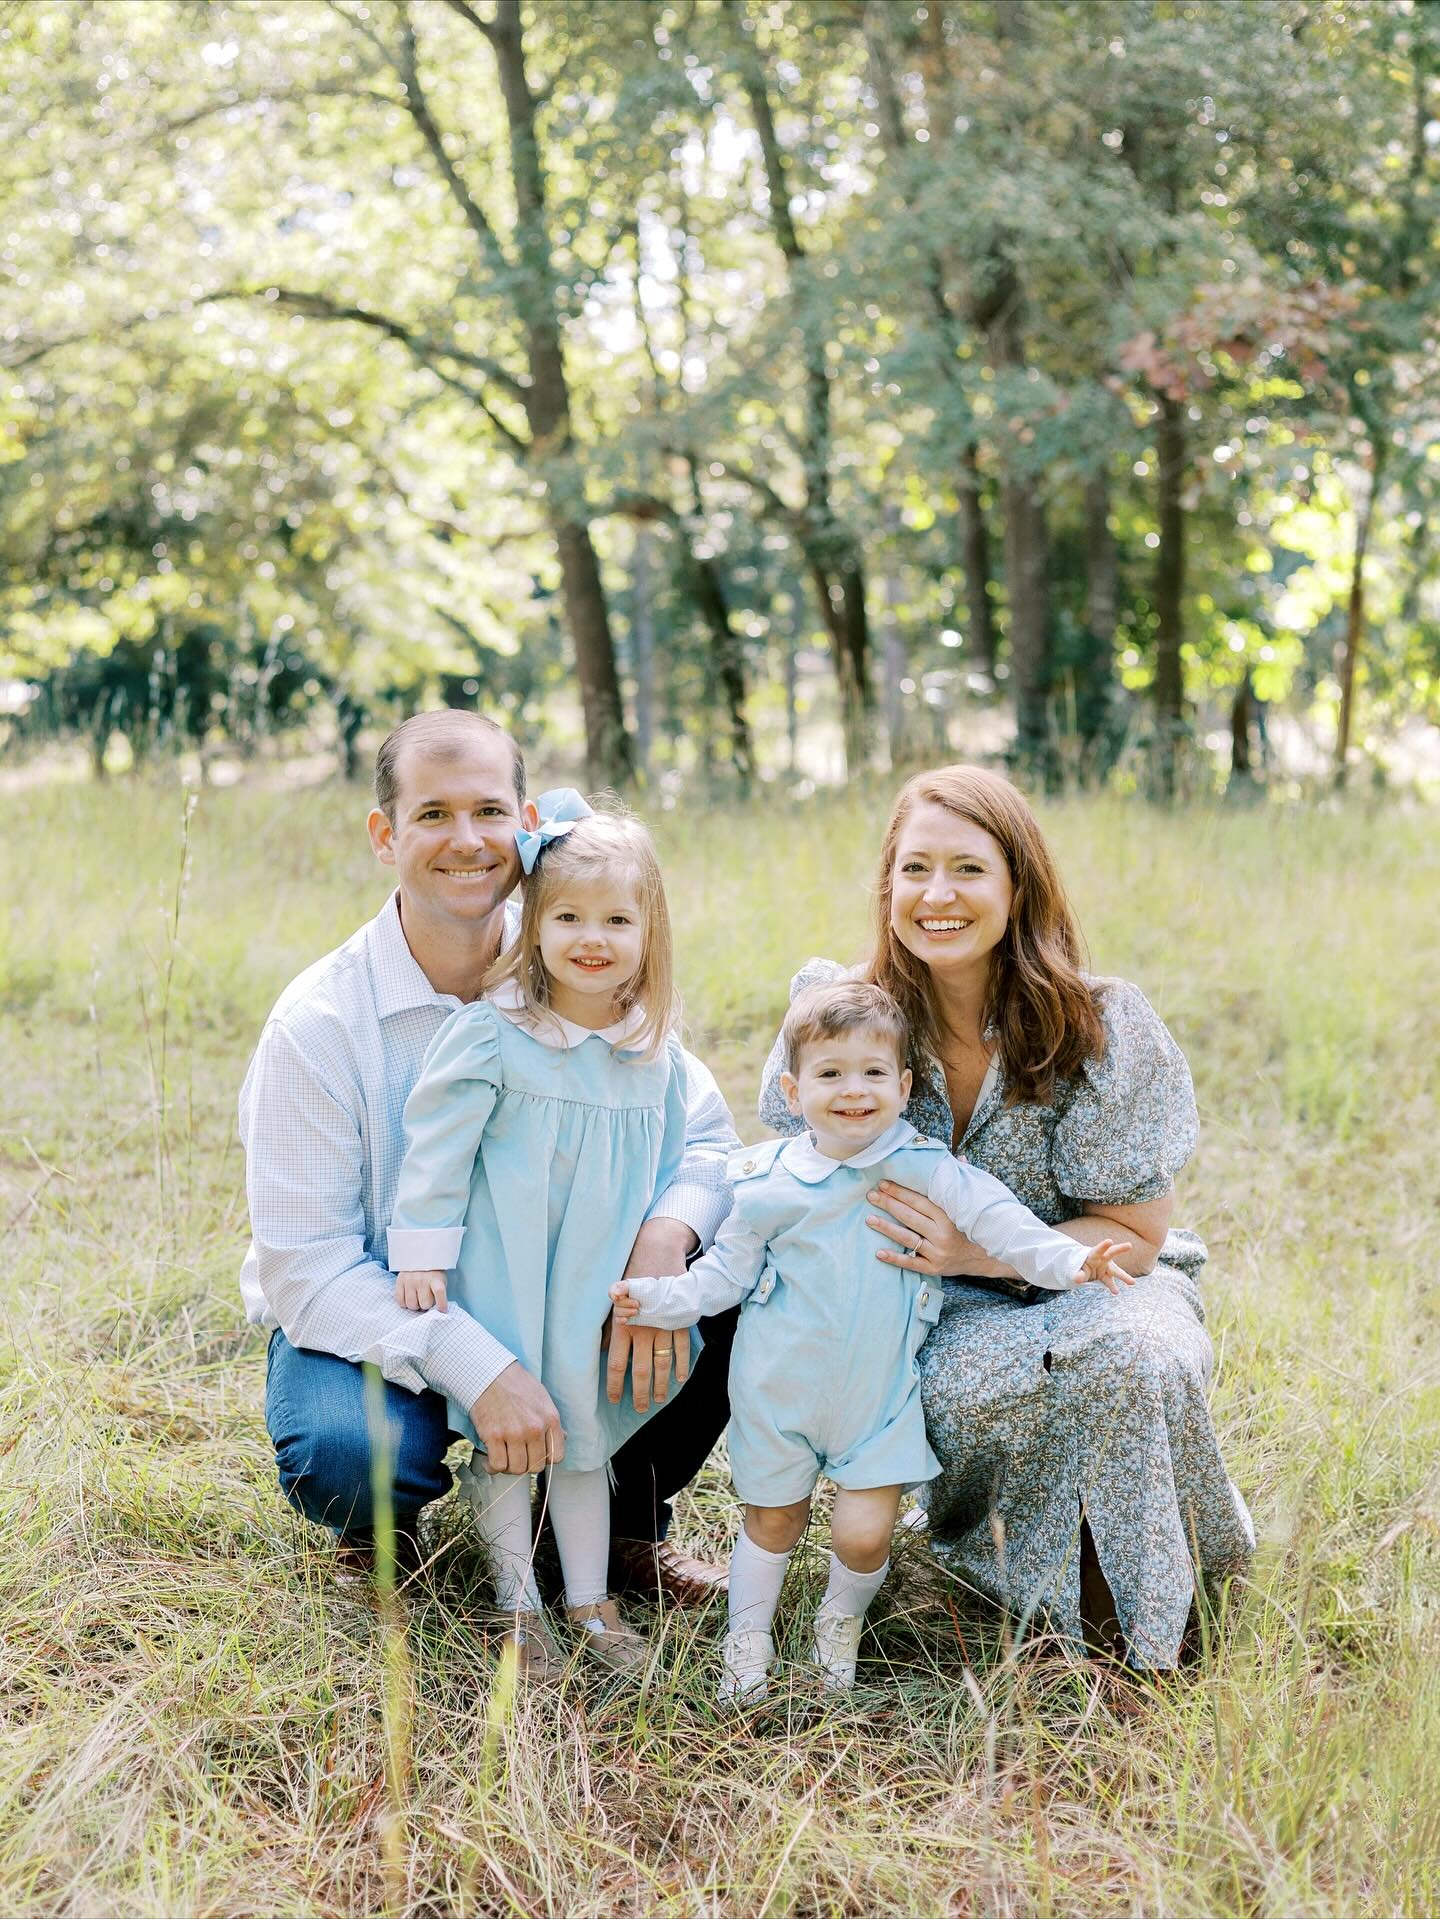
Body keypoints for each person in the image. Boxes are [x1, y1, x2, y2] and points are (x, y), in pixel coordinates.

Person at [756, 766, 1255, 1673]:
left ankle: (1142, 1632)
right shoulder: (846, 1018)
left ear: (1018, 883)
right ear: (888, 886)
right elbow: (791, 1175)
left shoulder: (1097, 1024)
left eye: (968, 869)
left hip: (1103, 1277)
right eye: (914, 869)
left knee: (1134, 1351)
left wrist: (980, 1251)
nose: (937, 895)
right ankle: (1021, 1571)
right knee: (987, 1384)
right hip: (928, 1311)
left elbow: (1132, 1236)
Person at [237, 711, 738, 1604]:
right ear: (385, 834)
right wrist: (478, 1362)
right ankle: (380, 1531)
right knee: (353, 1451)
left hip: (571, 1294)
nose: (466, 840)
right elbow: (307, 1272)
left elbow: (705, 1136)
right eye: (432, 814)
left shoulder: (583, 948)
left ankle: (622, 1527)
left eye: (488, 811)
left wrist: (665, 1237)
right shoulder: (319, 1025)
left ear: (527, 818)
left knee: (737, 1279)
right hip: (392, 1305)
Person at [610, 979, 1134, 1702]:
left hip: (878, 1398)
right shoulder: (766, 1181)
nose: (852, 1090)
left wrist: (1071, 1259)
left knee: (862, 1534)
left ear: (903, 1083)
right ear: (793, 1091)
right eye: (830, 1073)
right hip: (778, 1393)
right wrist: (657, 1299)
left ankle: (838, 1631)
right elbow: (722, 1279)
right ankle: (748, 1640)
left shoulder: (920, 1165)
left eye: (872, 1072)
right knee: (774, 1522)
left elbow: (1003, 1222)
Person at [387, 795, 701, 1673]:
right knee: (517, 1439)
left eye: (615, 918)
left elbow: (684, 1159)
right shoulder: (495, 1035)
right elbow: (436, 1148)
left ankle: (591, 1599)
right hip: (511, 1274)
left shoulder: (654, 1055)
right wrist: (422, 1250)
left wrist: (663, 1248)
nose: (590, 937)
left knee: (583, 1434)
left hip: (594, 1287)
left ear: (649, 931)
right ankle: (516, 1602)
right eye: (567, 916)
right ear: (533, 923)